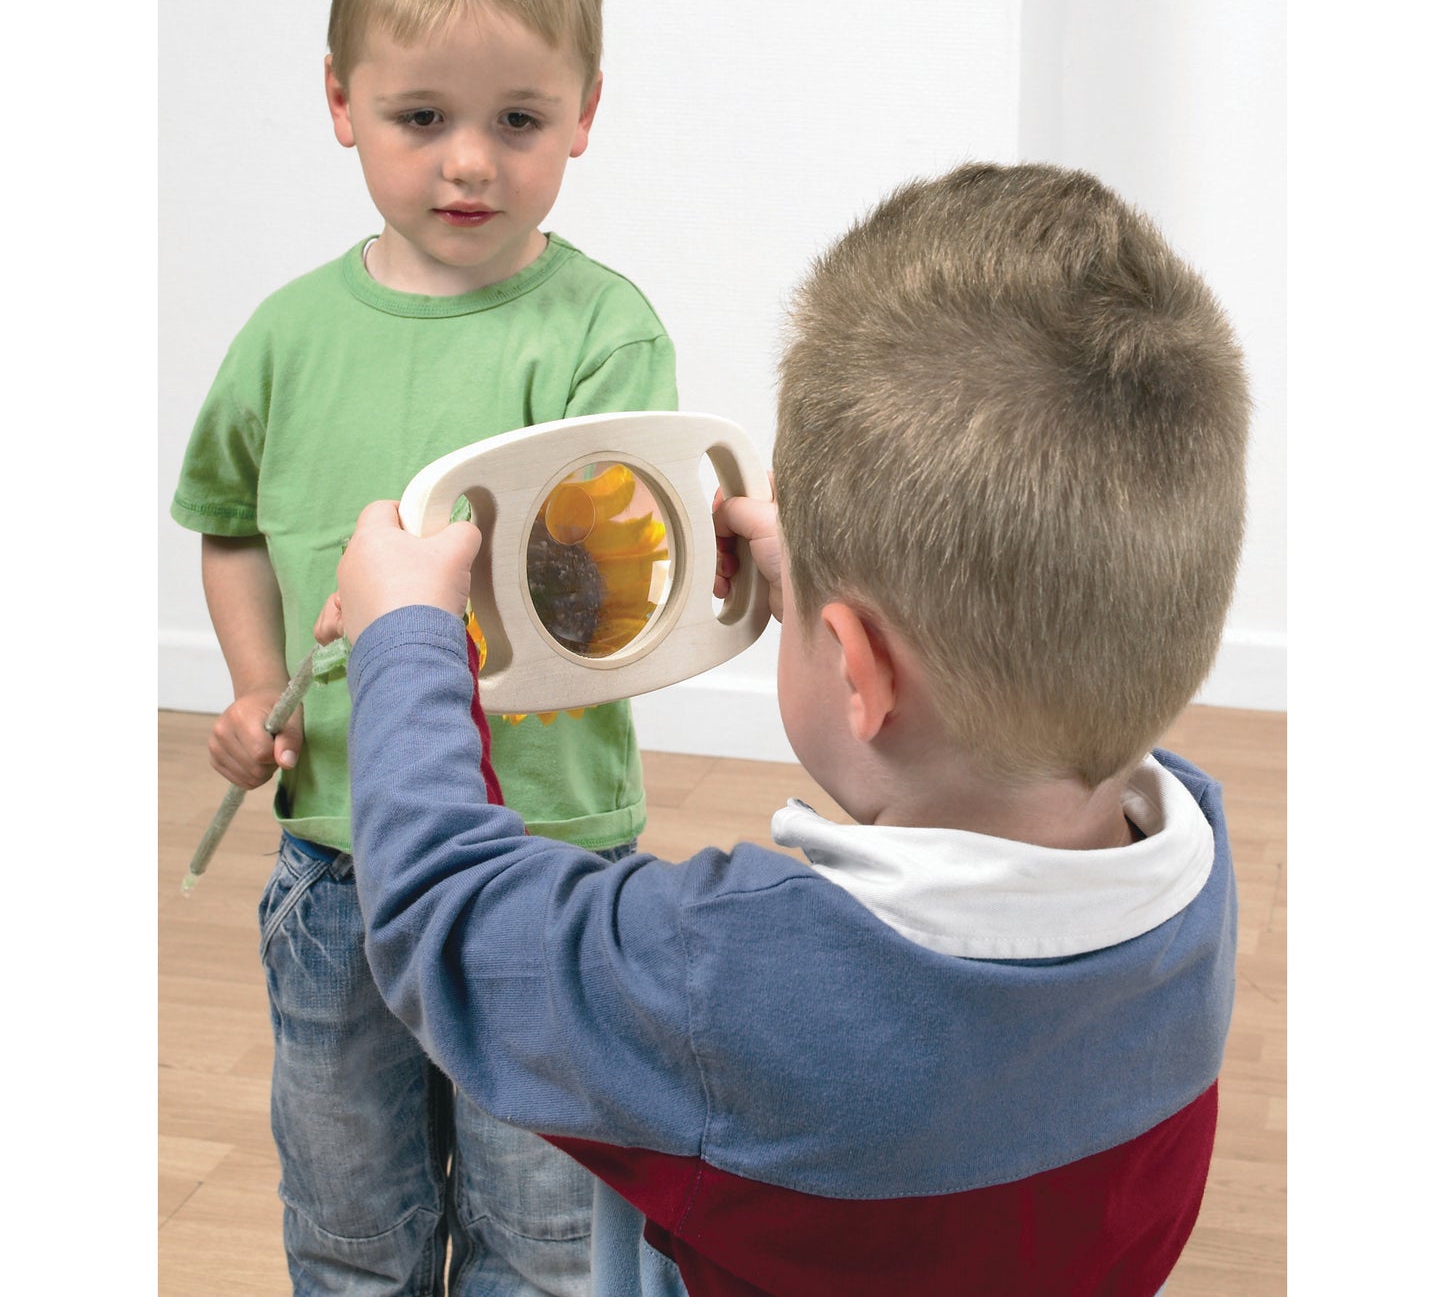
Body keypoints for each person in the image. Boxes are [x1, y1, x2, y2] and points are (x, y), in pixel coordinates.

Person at [320, 162, 1248, 1296]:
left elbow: (446, 921)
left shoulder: (732, 979)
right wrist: (835, 592)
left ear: (855, 669)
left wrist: (404, 639)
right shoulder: (1192, 870)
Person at [170, 0, 677, 1295]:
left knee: (547, 1234)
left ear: (584, 113)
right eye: (420, 119)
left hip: (545, 862)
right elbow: (221, 521)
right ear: (341, 101)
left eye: (517, 122)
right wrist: (257, 680)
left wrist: (426, 614)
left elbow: (615, 584)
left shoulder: (602, 333)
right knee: (351, 1227)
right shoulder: (284, 338)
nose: (469, 164)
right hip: (340, 858)